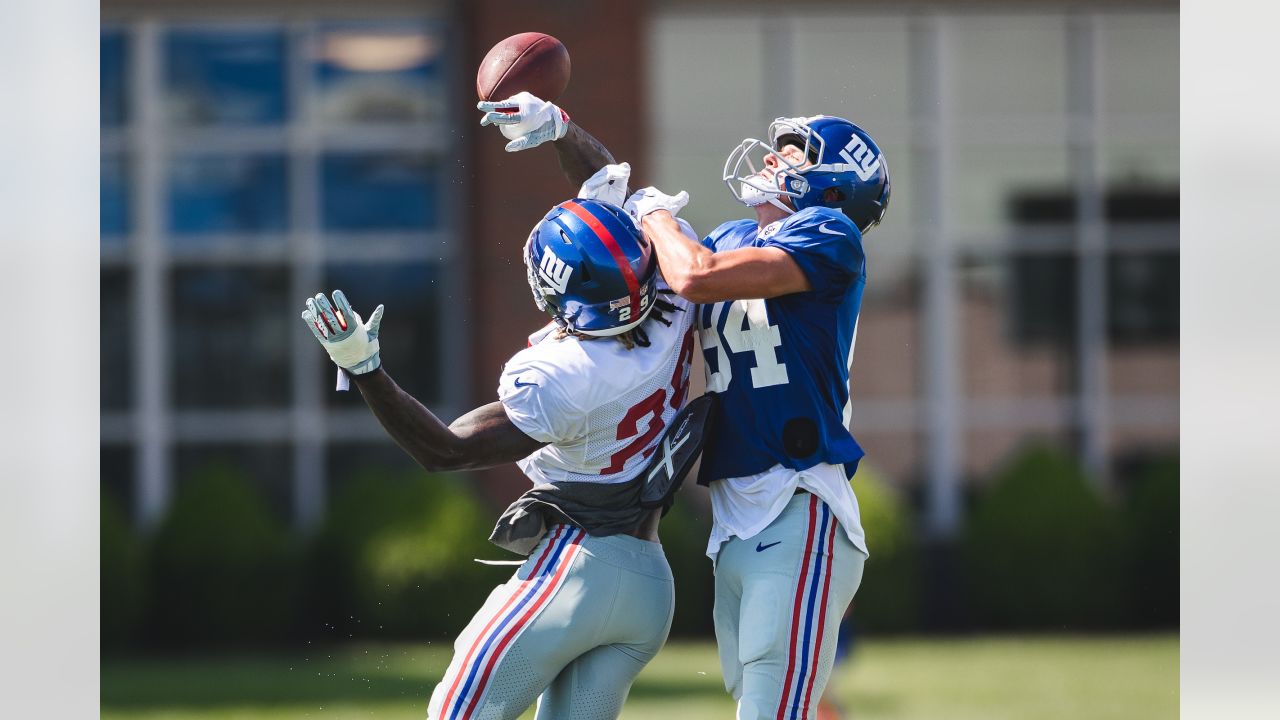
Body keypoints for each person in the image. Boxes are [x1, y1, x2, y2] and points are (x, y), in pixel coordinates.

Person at [479, 94, 890, 720]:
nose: (775, 160)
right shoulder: (731, 237)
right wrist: (561, 128)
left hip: (797, 498)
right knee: (760, 698)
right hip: (735, 518)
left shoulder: (831, 236)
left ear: (832, 192)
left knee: (774, 707)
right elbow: (614, 201)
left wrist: (659, 219)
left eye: (795, 156)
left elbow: (695, 274)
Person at [301, 191, 700, 719]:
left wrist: (366, 367)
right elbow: (620, 238)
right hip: (649, 583)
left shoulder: (564, 375)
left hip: (577, 571)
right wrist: (560, 130)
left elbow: (445, 450)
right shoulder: (677, 291)